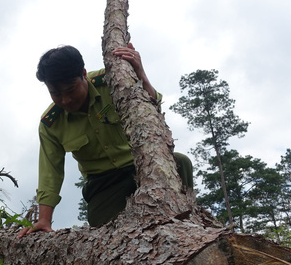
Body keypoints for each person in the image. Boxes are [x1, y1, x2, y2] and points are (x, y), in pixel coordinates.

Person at [18, 44, 192, 237]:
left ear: (83, 74)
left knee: (180, 162)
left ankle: (188, 222)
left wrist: (140, 74)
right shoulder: (51, 123)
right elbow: (50, 174)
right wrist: (44, 220)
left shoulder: (113, 81)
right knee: (109, 238)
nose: (66, 100)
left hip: (142, 166)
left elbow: (152, 109)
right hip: (104, 186)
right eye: (56, 94)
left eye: (71, 90)